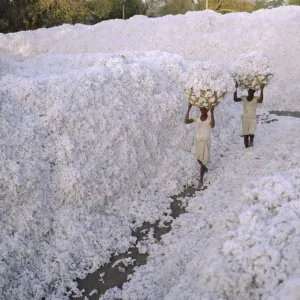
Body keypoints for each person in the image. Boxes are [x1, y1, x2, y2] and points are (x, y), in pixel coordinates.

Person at [185, 103, 215, 189]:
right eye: (202, 109)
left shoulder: (209, 119)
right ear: (200, 110)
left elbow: (212, 125)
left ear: (208, 110)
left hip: (205, 142)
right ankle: (204, 167)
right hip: (198, 141)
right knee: (198, 158)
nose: (203, 111)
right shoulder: (197, 119)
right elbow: (186, 121)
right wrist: (188, 109)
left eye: (205, 109)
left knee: (203, 160)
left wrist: (212, 113)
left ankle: (201, 179)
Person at [234, 83, 265, 148]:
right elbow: (235, 99)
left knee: (251, 133)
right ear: (247, 92)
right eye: (249, 91)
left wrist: (262, 89)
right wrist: (235, 89)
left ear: (254, 92)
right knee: (245, 135)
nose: (250, 92)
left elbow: (261, 100)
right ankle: (246, 147)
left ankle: (251, 141)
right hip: (245, 119)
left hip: (252, 119)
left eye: (251, 91)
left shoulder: (255, 99)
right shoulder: (244, 98)